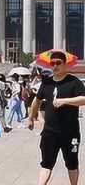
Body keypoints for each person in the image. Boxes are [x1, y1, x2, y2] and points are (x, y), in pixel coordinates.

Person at [28, 51, 85, 185]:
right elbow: (37, 100)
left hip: (70, 133)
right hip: (50, 132)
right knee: (46, 163)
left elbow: (83, 99)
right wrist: (30, 117)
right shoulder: (46, 83)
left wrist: (64, 101)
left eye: (58, 63)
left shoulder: (74, 82)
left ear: (65, 65)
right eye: (52, 63)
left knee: (72, 163)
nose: (55, 66)